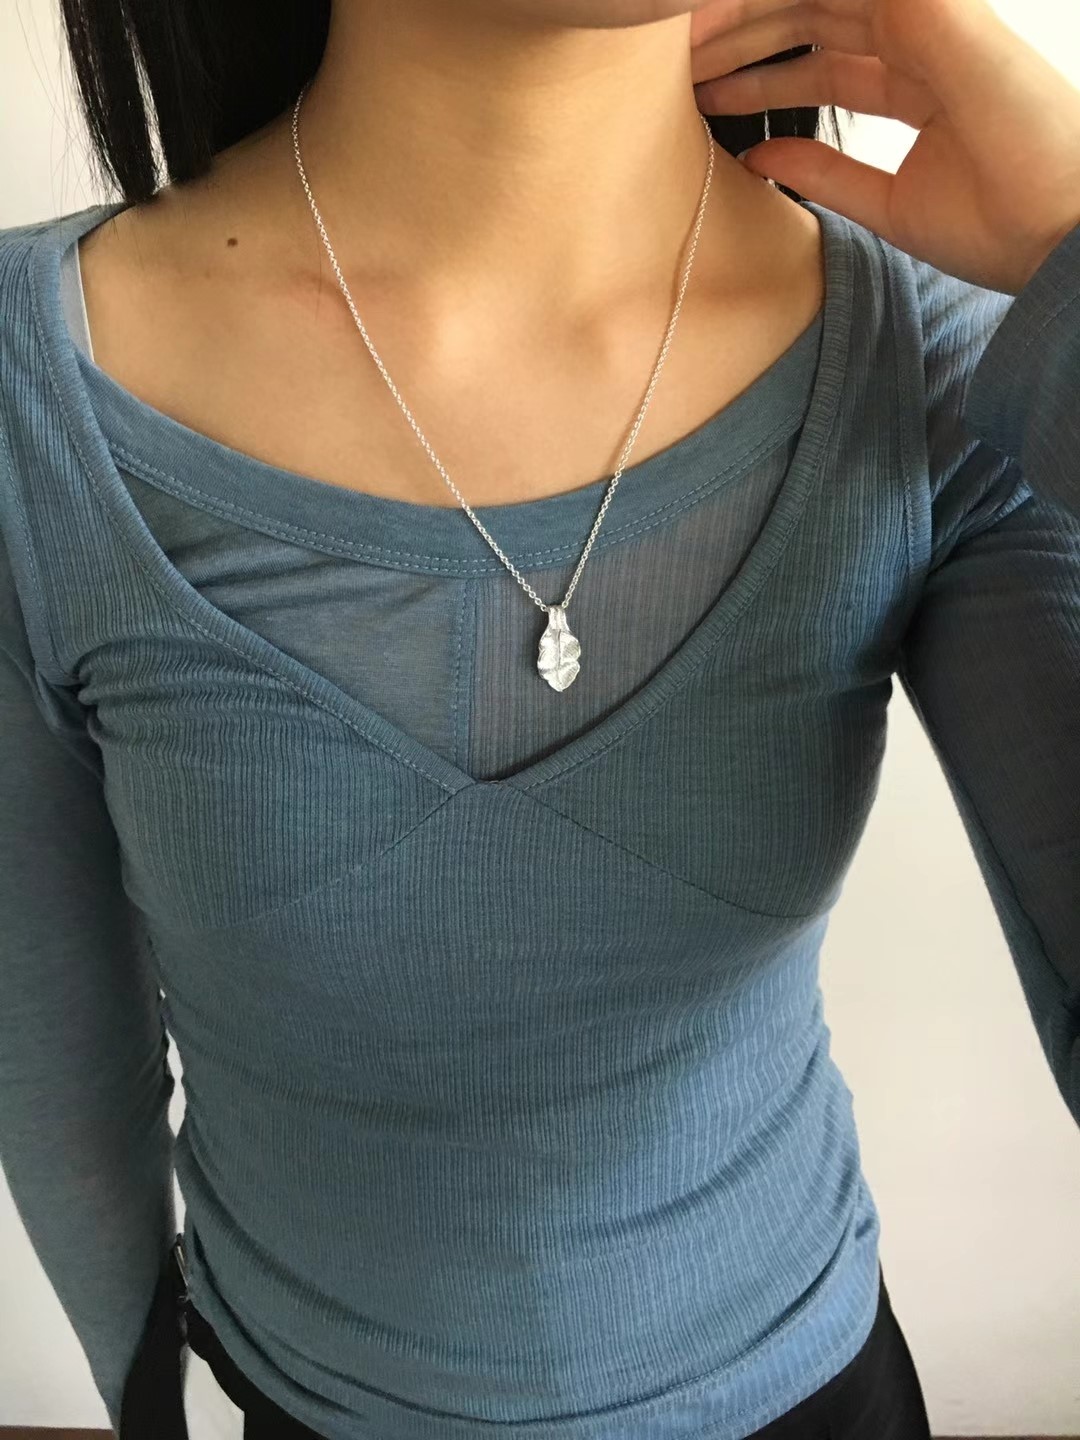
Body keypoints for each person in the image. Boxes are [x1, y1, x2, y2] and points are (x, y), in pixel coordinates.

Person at [1, 0, 1077, 1436]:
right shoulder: (33, 396)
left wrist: (1076, 256)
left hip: (815, 1388)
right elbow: (50, 1049)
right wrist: (147, 1397)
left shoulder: (943, 365)